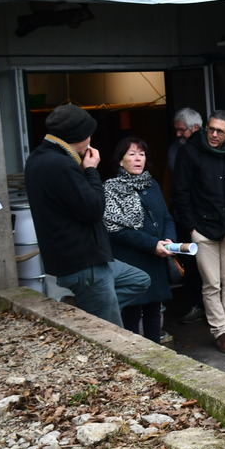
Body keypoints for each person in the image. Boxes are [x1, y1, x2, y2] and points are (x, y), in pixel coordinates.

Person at [24, 104, 149, 327]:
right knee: (112, 335)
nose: (91, 140)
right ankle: (88, 314)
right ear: (80, 137)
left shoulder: (37, 158)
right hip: (84, 264)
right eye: (89, 135)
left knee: (139, 279)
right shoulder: (62, 165)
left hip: (84, 259)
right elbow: (93, 209)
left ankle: (82, 310)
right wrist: (91, 170)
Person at [172, 110, 225, 353]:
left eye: (220, 131)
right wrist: (192, 227)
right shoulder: (190, 152)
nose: (214, 134)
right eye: (211, 129)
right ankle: (220, 331)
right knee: (212, 283)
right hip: (204, 229)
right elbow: (181, 192)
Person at [103, 137, 177, 343]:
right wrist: (152, 244)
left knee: (154, 309)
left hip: (157, 257)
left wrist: (169, 240)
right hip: (131, 259)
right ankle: (136, 357)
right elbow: (116, 230)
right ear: (120, 160)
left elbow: (165, 217)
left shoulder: (151, 184)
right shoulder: (111, 188)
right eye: (132, 154)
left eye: (141, 154)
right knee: (131, 313)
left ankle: (155, 353)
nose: (138, 159)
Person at [168, 107, 205, 325]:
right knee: (190, 264)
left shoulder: (203, 149)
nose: (178, 134)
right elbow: (176, 187)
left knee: (205, 266)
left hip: (199, 217)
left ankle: (206, 307)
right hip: (185, 217)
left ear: (196, 128)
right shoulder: (176, 149)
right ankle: (197, 304)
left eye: (182, 130)